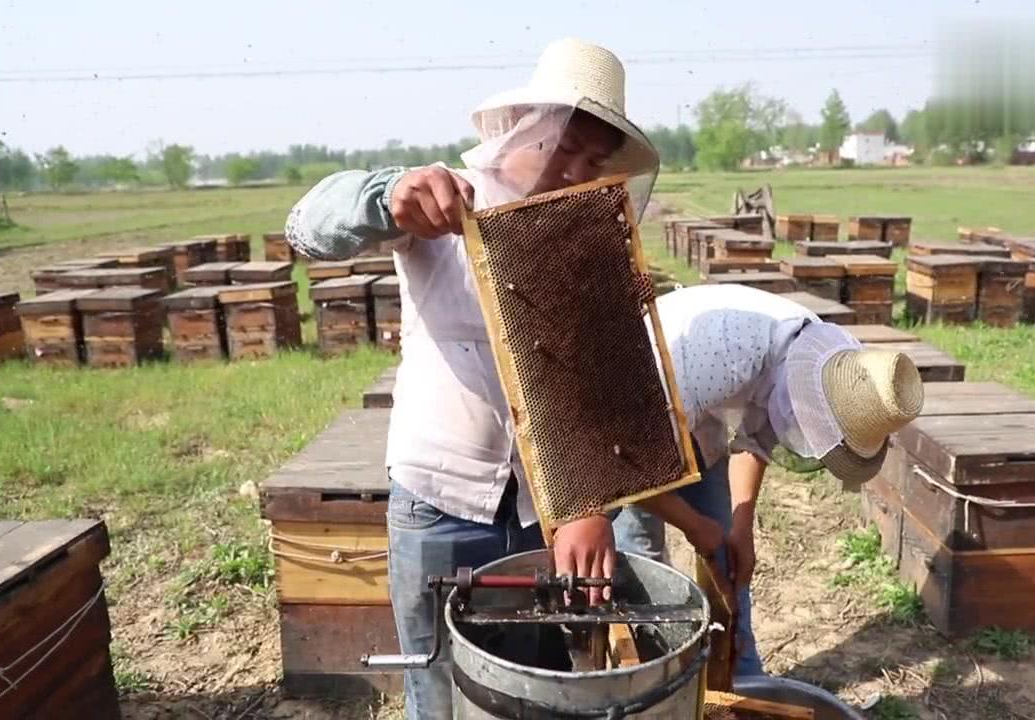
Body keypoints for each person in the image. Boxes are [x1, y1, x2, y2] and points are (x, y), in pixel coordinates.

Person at [282, 38, 730, 718]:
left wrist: (590, 506)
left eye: (592, 160)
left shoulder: (586, 237)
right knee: (440, 689)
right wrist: (385, 195)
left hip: (542, 517)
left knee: (535, 687)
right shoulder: (441, 203)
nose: (573, 170)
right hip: (439, 506)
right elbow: (309, 225)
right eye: (565, 147)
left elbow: (601, 394)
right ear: (523, 127)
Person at [614, 283, 926, 678]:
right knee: (642, 554)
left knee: (728, 556)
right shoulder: (727, 355)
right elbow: (627, 463)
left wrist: (741, 527)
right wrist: (695, 528)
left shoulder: (834, 365)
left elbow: (756, 440)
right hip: (633, 399)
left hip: (691, 408)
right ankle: (652, 677)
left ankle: (742, 674)